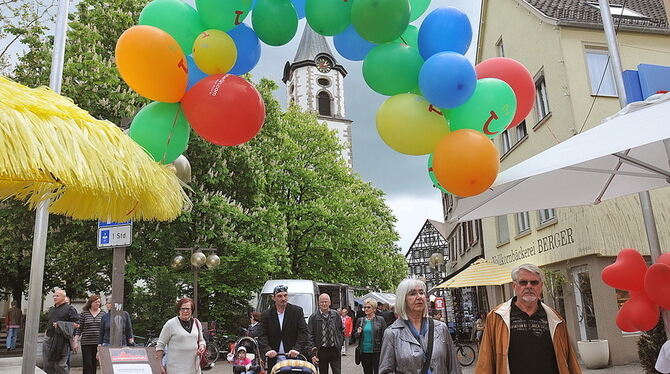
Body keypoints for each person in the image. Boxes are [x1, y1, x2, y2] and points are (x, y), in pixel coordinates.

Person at [475, 263, 581, 374]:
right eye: (523, 282)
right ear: (514, 286)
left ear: (541, 286)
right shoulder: (496, 317)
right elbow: (485, 362)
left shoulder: (555, 318)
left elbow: (570, 359)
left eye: (534, 282)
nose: (529, 286)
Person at [379, 279, 461, 374]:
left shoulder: (440, 328)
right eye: (412, 294)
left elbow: (454, 367)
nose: (419, 297)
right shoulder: (392, 333)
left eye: (421, 293)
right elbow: (385, 370)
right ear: (403, 299)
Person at [258, 284, 309, 370]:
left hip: (293, 358)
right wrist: (267, 349)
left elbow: (303, 332)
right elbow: (262, 335)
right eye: (280, 296)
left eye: (285, 295)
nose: (283, 299)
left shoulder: (297, 311)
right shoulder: (266, 314)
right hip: (274, 358)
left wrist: (296, 349)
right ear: (273, 298)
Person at [155, 297, 206, 374]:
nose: (185, 311)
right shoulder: (170, 324)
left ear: (192, 310)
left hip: (194, 369)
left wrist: (202, 346)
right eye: (183, 308)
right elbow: (160, 345)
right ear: (179, 310)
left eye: (188, 309)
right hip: (175, 369)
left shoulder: (197, 323)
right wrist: (160, 366)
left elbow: (201, 340)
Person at [43, 289, 79, 374]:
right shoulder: (52, 309)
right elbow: (49, 322)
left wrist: (60, 324)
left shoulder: (70, 309)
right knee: (48, 364)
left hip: (62, 340)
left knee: (61, 365)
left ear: (64, 297)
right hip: (49, 339)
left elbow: (77, 324)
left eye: (57, 296)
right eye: (54, 296)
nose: (55, 297)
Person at [308, 294, 343, 373]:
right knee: (323, 372)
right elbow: (309, 335)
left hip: (334, 349)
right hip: (321, 351)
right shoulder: (313, 317)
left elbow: (341, 330)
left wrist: (340, 343)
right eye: (322, 302)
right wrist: (312, 354)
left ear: (330, 303)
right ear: (318, 303)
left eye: (326, 302)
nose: (324, 304)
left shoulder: (336, 315)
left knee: (337, 372)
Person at [353, 298, 387, 374]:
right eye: (365, 307)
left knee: (378, 372)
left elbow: (385, 337)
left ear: (374, 309)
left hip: (377, 351)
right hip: (364, 352)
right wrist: (358, 333)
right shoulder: (360, 320)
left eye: (368, 307)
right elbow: (355, 336)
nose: (366, 309)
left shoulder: (380, 320)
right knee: (367, 372)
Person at [74, 296, 105, 374]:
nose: (98, 303)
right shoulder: (84, 313)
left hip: (98, 342)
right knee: (87, 363)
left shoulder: (103, 313)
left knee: (94, 363)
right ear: (91, 303)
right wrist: (75, 341)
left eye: (99, 302)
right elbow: (79, 328)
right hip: (86, 342)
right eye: (96, 302)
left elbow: (105, 329)